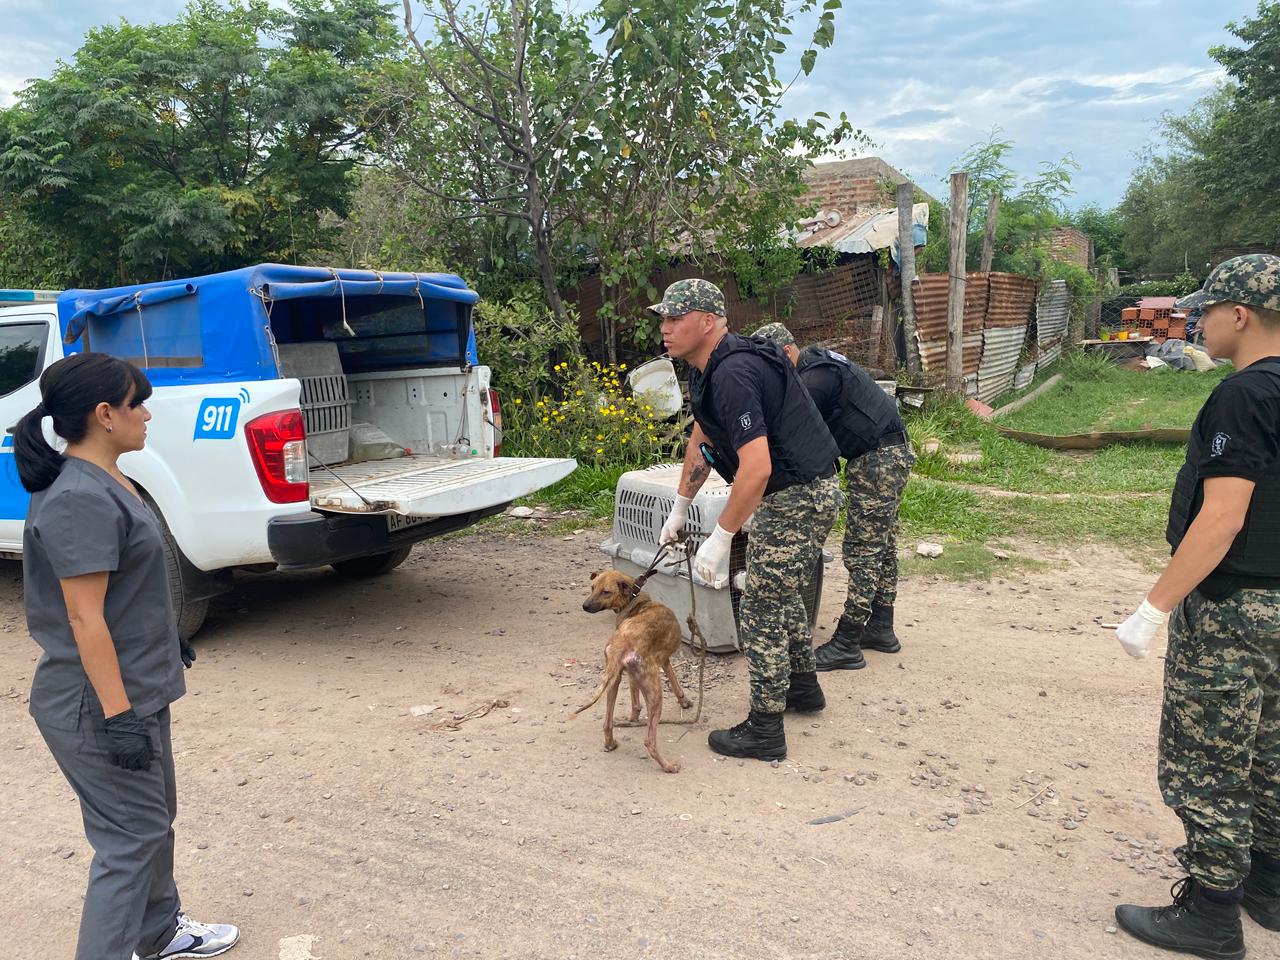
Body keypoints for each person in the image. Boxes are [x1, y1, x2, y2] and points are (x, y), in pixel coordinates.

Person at [15, 353, 240, 960]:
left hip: (136, 687)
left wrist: (162, 637)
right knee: (129, 838)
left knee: (152, 820)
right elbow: (83, 618)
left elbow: (123, 591)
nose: (147, 415)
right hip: (99, 702)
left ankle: (159, 932)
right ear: (104, 415)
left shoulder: (111, 478)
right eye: (137, 403)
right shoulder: (78, 498)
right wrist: (119, 718)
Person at [1112, 254, 1280, 960]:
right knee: (1270, 747)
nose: (1196, 322)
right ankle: (1269, 885)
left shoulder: (1244, 395)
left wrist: (1154, 607)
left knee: (1207, 756)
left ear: (1239, 314)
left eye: (1205, 310)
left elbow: (1222, 518)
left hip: (1234, 608)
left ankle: (1211, 913)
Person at [651, 279, 840, 761]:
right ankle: (802, 687)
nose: (665, 328)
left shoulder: (734, 371)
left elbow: (757, 469)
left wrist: (720, 538)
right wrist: (680, 507)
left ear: (707, 322)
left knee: (760, 605)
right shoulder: (706, 368)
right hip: (793, 492)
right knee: (780, 592)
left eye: (675, 318)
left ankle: (765, 728)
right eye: (664, 318)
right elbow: (703, 438)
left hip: (800, 494)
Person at [753, 323, 915, 670]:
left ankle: (848, 642)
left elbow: (794, 435)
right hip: (885, 454)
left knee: (863, 551)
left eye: (770, 364)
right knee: (881, 544)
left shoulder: (812, 381)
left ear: (786, 352)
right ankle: (881, 626)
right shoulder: (815, 363)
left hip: (878, 460)